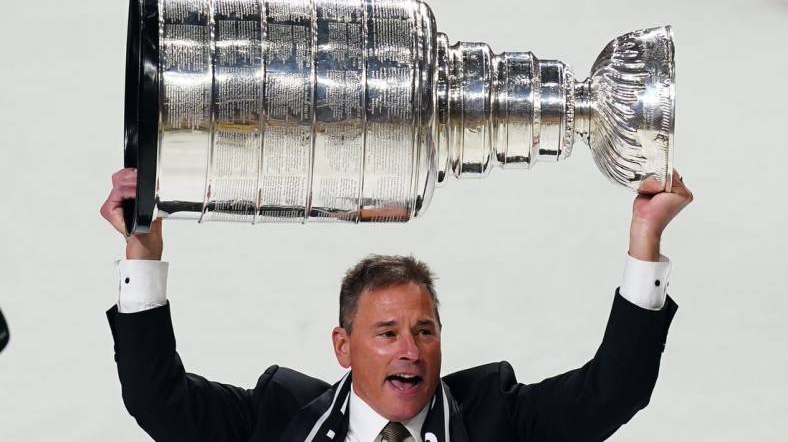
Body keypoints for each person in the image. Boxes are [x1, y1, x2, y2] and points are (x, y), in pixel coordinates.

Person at [101, 168, 693, 442]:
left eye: (425, 330)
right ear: (343, 347)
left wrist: (646, 239)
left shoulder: (495, 418)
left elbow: (614, 391)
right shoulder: (277, 417)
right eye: (386, 332)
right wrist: (142, 255)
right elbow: (158, 399)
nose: (410, 349)